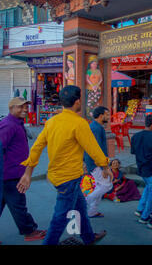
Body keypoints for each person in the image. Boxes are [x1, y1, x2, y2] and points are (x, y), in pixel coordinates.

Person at [18, 86, 109, 245]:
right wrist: (105, 166)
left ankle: (88, 237)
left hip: (57, 176)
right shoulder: (79, 123)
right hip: (69, 178)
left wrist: (28, 172)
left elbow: (37, 147)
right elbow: (93, 148)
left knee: (80, 207)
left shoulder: (51, 121)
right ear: (78, 101)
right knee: (60, 217)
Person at [0, 97, 46, 242]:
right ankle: (29, 230)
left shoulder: (17, 124)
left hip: (10, 173)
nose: (25, 109)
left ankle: (29, 229)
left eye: (26, 106)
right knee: (18, 205)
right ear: (11, 108)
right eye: (20, 107)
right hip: (10, 174)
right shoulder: (8, 125)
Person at [84, 106, 113, 218]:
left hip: (94, 162)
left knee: (99, 186)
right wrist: (104, 167)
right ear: (101, 115)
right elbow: (97, 148)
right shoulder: (96, 128)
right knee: (107, 186)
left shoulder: (95, 126)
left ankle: (92, 211)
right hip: (96, 163)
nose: (108, 117)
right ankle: (85, 201)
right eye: (107, 114)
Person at [132, 115, 152, 224]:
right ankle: (145, 215)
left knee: (148, 188)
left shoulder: (135, 136)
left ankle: (140, 209)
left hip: (141, 166)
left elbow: (133, 152)